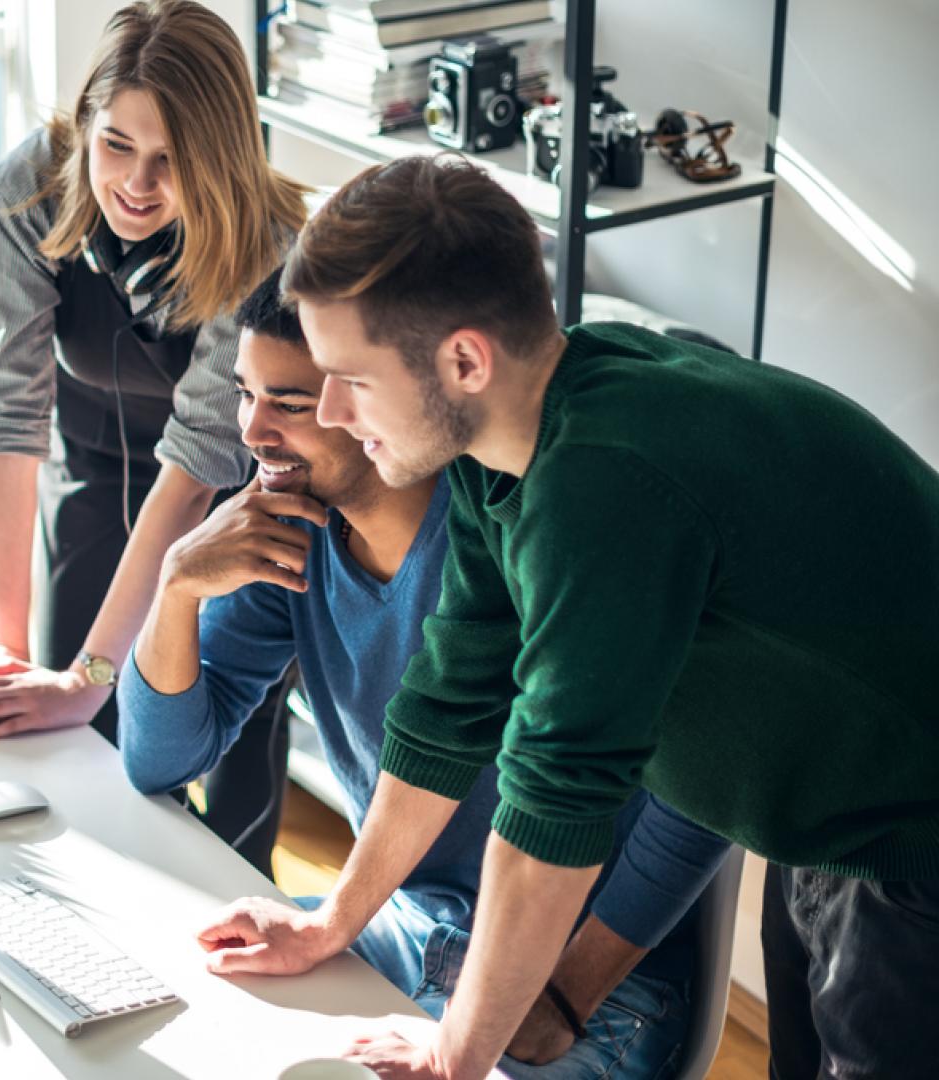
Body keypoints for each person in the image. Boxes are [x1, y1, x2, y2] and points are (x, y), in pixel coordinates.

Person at [255, 153, 939, 1080]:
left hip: (910, 847)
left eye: (351, 378)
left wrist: (454, 1057)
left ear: (462, 359)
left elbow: (554, 808)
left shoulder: (602, 484)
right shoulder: (505, 442)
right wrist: (332, 921)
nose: (330, 410)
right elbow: (449, 704)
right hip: (826, 825)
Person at [123, 268, 731, 1078]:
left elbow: (704, 790)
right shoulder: (292, 538)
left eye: (293, 404)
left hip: (573, 979)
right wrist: (176, 588)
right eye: (247, 395)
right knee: (171, 1018)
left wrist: (561, 992)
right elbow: (158, 758)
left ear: (376, 401)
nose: (254, 433)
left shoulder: (525, 538)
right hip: (409, 925)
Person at [0, 0, 310, 859]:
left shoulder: (269, 246)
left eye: (170, 161)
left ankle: (235, 894)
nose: (136, 185)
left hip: (234, 492)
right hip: (97, 457)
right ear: (85, 125)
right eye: (116, 146)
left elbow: (198, 461)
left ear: (218, 160)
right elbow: (1, 410)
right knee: (68, 714)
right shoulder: (30, 191)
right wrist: (10, 648)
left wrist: (94, 674)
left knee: (208, 715)